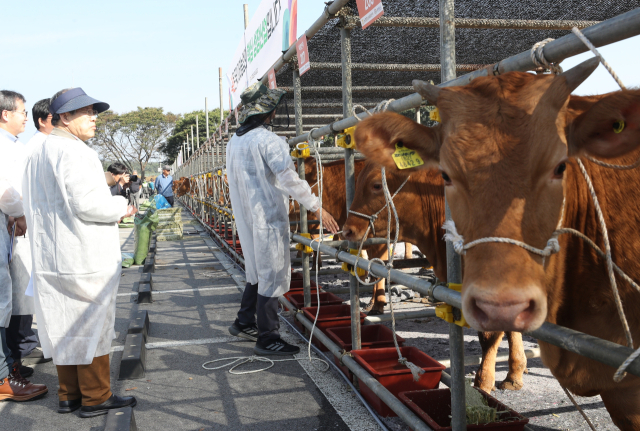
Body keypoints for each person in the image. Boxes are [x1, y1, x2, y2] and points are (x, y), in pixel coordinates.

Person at [22, 87, 138, 417]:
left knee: (64, 321)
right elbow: (87, 204)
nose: (94, 118)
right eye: (86, 112)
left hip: (52, 255)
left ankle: (68, 394)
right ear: (65, 117)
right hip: (84, 254)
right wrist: (120, 205)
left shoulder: (38, 151)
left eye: (94, 111)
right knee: (92, 323)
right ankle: (96, 395)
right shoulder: (75, 152)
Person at [226, 82, 339, 356]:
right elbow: (289, 178)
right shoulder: (268, 141)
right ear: (269, 112)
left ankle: (243, 321)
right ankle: (268, 336)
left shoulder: (235, 140)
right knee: (272, 274)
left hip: (246, 215)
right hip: (267, 216)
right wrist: (316, 207)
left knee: (256, 269)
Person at [0, 90, 48, 401]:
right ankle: (5, 375)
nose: (24, 118)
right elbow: (6, 187)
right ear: (5, 114)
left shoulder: (12, 144)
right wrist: (18, 213)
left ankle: (10, 366)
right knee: (4, 298)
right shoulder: (3, 146)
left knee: (11, 297)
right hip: (8, 220)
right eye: (21, 112)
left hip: (9, 224)